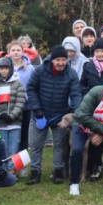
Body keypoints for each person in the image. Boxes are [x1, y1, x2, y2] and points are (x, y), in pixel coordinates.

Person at [26, 45, 81, 185]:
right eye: (58, 60)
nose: (61, 63)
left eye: (64, 60)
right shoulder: (39, 70)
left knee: (59, 145)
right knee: (36, 145)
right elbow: (31, 88)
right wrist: (36, 108)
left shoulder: (71, 74)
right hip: (40, 114)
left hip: (60, 114)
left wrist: (75, 112)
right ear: (52, 60)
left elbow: (75, 94)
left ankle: (58, 172)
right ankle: (34, 172)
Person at [0, 56, 26, 157]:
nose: (4, 71)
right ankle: (3, 169)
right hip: (1, 123)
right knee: (2, 147)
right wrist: (0, 114)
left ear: (10, 69)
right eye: (1, 68)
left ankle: (11, 169)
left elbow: (20, 101)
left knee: (14, 147)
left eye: (6, 68)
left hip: (15, 122)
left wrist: (12, 116)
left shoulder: (18, 83)